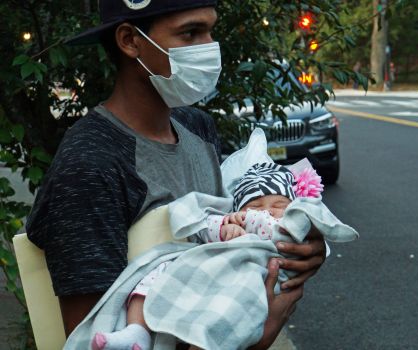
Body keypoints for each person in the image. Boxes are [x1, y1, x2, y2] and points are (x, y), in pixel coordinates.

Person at [25, 1, 326, 349]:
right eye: (190, 32)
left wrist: (296, 248)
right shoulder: (90, 163)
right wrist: (257, 338)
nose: (210, 47)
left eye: (210, 30)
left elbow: (230, 235)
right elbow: (94, 337)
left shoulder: (198, 127)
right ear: (130, 41)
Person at [92, 162, 328, 350]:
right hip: (204, 273)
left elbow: (314, 239)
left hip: (243, 281)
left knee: (226, 310)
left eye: (278, 204)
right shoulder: (234, 222)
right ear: (238, 210)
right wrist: (227, 227)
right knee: (157, 272)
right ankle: (137, 330)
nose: (267, 211)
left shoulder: (290, 228)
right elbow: (205, 227)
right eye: (255, 206)